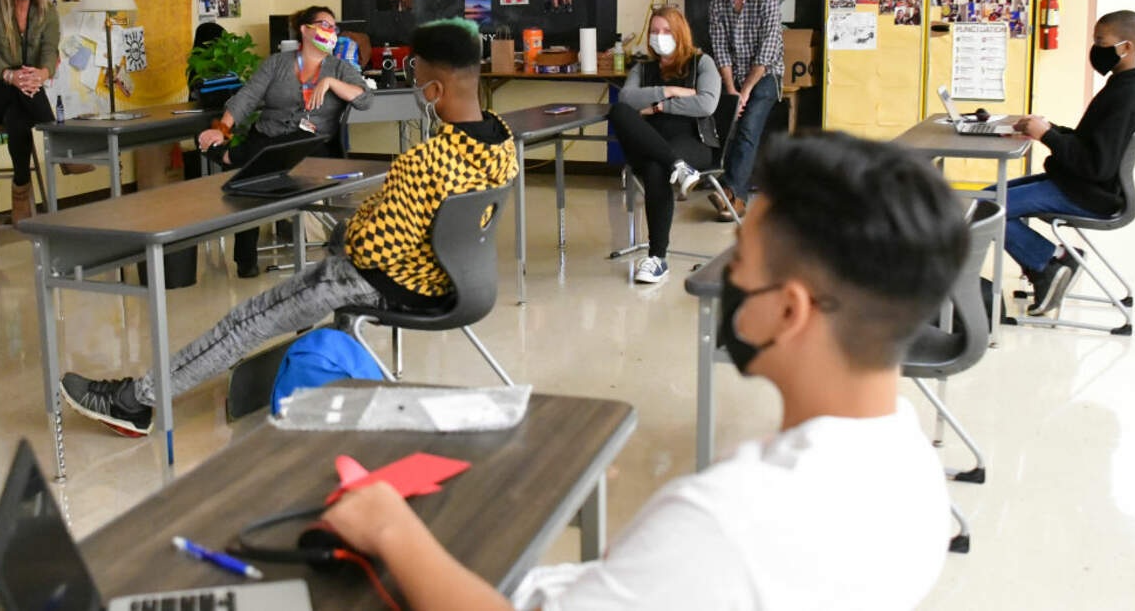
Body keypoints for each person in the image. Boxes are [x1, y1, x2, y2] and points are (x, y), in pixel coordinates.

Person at [318, 132, 967, 610]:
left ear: (790, 310)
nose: (723, 276)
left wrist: (390, 528)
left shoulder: (727, 520)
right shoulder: (911, 467)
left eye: (740, 259)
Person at [59, 18, 519, 436]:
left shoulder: (425, 160)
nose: (415, 85)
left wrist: (359, 224)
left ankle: (134, 402)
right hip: (455, 283)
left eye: (417, 77)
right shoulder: (501, 146)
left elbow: (368, 251)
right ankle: (322, 367)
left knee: (244, 321)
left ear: (434, 90)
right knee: (332, 248)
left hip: (391, 284)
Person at [196, 5, 372, 278]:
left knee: (253, 166)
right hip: (267, 136)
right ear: (305, 30)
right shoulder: (276, 63)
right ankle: (246, 259)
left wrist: (329, 83)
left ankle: (231, 155)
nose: (331, 31)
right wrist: (222, 129)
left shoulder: (339, 68)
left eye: (333, 27)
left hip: (313, 145)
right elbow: (247, 98)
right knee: (254, 174)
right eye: (324, 25)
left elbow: (365, 99)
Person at [1003, 10, 1135, 315]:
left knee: (985, 208)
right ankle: (1057, 261)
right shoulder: (1125, 85)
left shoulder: (1130, 97)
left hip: (1088, 192)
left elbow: (1096, 165)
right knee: (986, 199)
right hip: (1078, 183)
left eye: (1101, 41)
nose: (1095, 48)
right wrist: (1048, 128)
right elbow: (1091, 143)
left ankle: (1048, 264)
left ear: (1126, 47)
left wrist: (1047, 136)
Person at [0, 0, 91, 225]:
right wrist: (11, 76)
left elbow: (49, 51)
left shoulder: (47, 13)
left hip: (22, 93)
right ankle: (65, 151)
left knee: (18, 116)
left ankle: (21, 193)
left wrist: (42, 74)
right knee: (18, 91)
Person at [607, 6, 720, 284]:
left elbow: (706, 103)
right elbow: (627, 99)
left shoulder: (702, 63)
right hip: (652, 143)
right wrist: (670, 90)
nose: (660, 36)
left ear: (680, 33)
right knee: (618, 111)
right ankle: (676, 165)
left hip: (693, 142)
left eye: (667, 31)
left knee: (656, 167)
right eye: (655, 31)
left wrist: (658, 107)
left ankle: (657, 258)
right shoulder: (643, 68)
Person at [708, 0, 784, 222]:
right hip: (733, 78)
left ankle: (734, 194)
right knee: (726, 127)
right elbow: (720, 51)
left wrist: (746, 92)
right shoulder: (718, 5)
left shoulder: (767, 0)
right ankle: (730, 192)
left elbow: (767, 51)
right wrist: (731, 91)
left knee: (748, 127)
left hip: (766, 76)